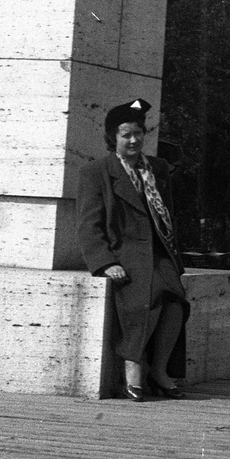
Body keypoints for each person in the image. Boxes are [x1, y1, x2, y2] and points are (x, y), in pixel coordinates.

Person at [76, 98, 190, 401]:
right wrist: (103, 262)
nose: (134, 140)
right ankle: (134, 364)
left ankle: (160, 369)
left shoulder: (156, 169)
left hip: (158, 253)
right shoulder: (96, 172)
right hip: (123, 253)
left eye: (138, 133)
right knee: (147, 299)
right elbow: (89, 225)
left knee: (176, 302)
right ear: (112, 138)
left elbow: (169, 215)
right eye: (126, 134)